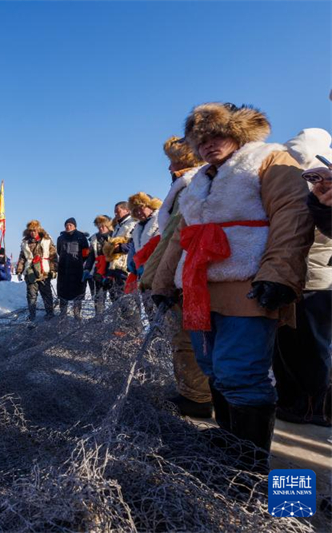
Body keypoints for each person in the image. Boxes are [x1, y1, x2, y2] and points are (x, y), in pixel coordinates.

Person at [152, 103, 315, 471]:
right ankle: (229, 445)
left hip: (249, 283)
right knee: (213, 369)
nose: (209, 145)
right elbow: (180, 236)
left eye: (217, 136)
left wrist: (278, 274)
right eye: (202, 139)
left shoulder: (270, 158)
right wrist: (163, 283)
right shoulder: (198, 182)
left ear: (239, 132)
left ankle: (249, 465)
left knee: (241, 372)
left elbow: (293, 212)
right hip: (197, 288)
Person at [140, 136, 211, 418]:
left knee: (187, 338)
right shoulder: (187, 185)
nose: (170, 167)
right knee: (186, 337)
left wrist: (156, 276)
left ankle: (196, 396)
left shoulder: (191, 186)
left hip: (188, 271)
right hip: (182, 269)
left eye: (175, 161)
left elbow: (173, 236)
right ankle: (195, 392)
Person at [273, 129, 332, 426]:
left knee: (311, 348)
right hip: (298, 277)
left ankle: (313, 408)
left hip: (315, 279)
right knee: (290, 346)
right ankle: (294, 402)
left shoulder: (318, 185)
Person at [16, 221, 58, 322]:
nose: (32, 232)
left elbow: (53, 256)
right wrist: (19, 270)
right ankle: (32, 315)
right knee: (31, 295)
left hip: (44, 271)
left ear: (38, 230)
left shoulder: (47, 241)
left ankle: (50, 313)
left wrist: (54, 269)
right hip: (30, 271)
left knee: (46, 293)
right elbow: (22, 258)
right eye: (30, 230)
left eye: (34, 230)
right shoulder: (25, 243)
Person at [124, 193, 161, 294]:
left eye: (141, 208)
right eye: (135, 210)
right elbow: (133, 247)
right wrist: (131, 261)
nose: (138, 212)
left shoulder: (160, 219)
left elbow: (160, 244)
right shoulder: (137, 227)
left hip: (157, 269)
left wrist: (146, 263)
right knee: (147, 302)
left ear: (150, 206)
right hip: (143, 271)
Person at [56, 218, 90, 319]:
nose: (68, 226)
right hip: (64, 268)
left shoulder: (81, 237)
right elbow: (59, 251)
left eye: (70, 224)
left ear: (75, 226)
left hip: (77, 268)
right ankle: (63, 313)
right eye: (66, 224)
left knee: (78, 291)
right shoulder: (60, 238)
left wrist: (82, 263)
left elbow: (85, 253)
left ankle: (77, 313)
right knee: (63, 290)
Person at [103, 202, 137, 301]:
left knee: (128, 299)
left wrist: (121, 247)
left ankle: (132, 316)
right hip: (115, 267)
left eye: (118, 211)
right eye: (114, 212)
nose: (115, 214)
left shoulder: (133, 223)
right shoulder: (118, 226)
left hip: (126, 267)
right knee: (116, 299)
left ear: (127, 210)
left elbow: (135, 244)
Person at [85, 215, 113, 315]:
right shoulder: (94, 238)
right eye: (99, 226)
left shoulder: (115, 235)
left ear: (108, 225)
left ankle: (117, 320)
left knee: (115, 296)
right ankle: (99, 318)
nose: (101, 229)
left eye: (103, 226)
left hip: (112, 270)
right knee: (99, 296)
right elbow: (91, 256)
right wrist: (87, 269)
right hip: (99, 270)